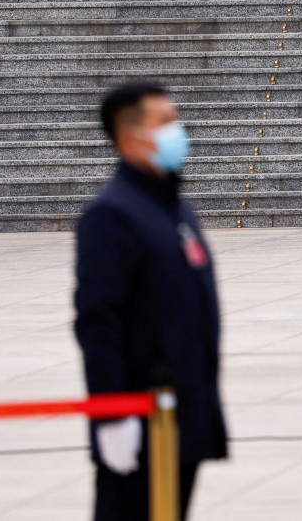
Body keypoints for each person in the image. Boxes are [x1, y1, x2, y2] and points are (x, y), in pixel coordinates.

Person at [74, 83, 227, 521]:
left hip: (183, 412)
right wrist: (112, 416)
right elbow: (98, 323)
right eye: (164, 123)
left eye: (175, 119)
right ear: (129, 138)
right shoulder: (111, 215)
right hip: (140, 420)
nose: (177, 131)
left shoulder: (175, 208)